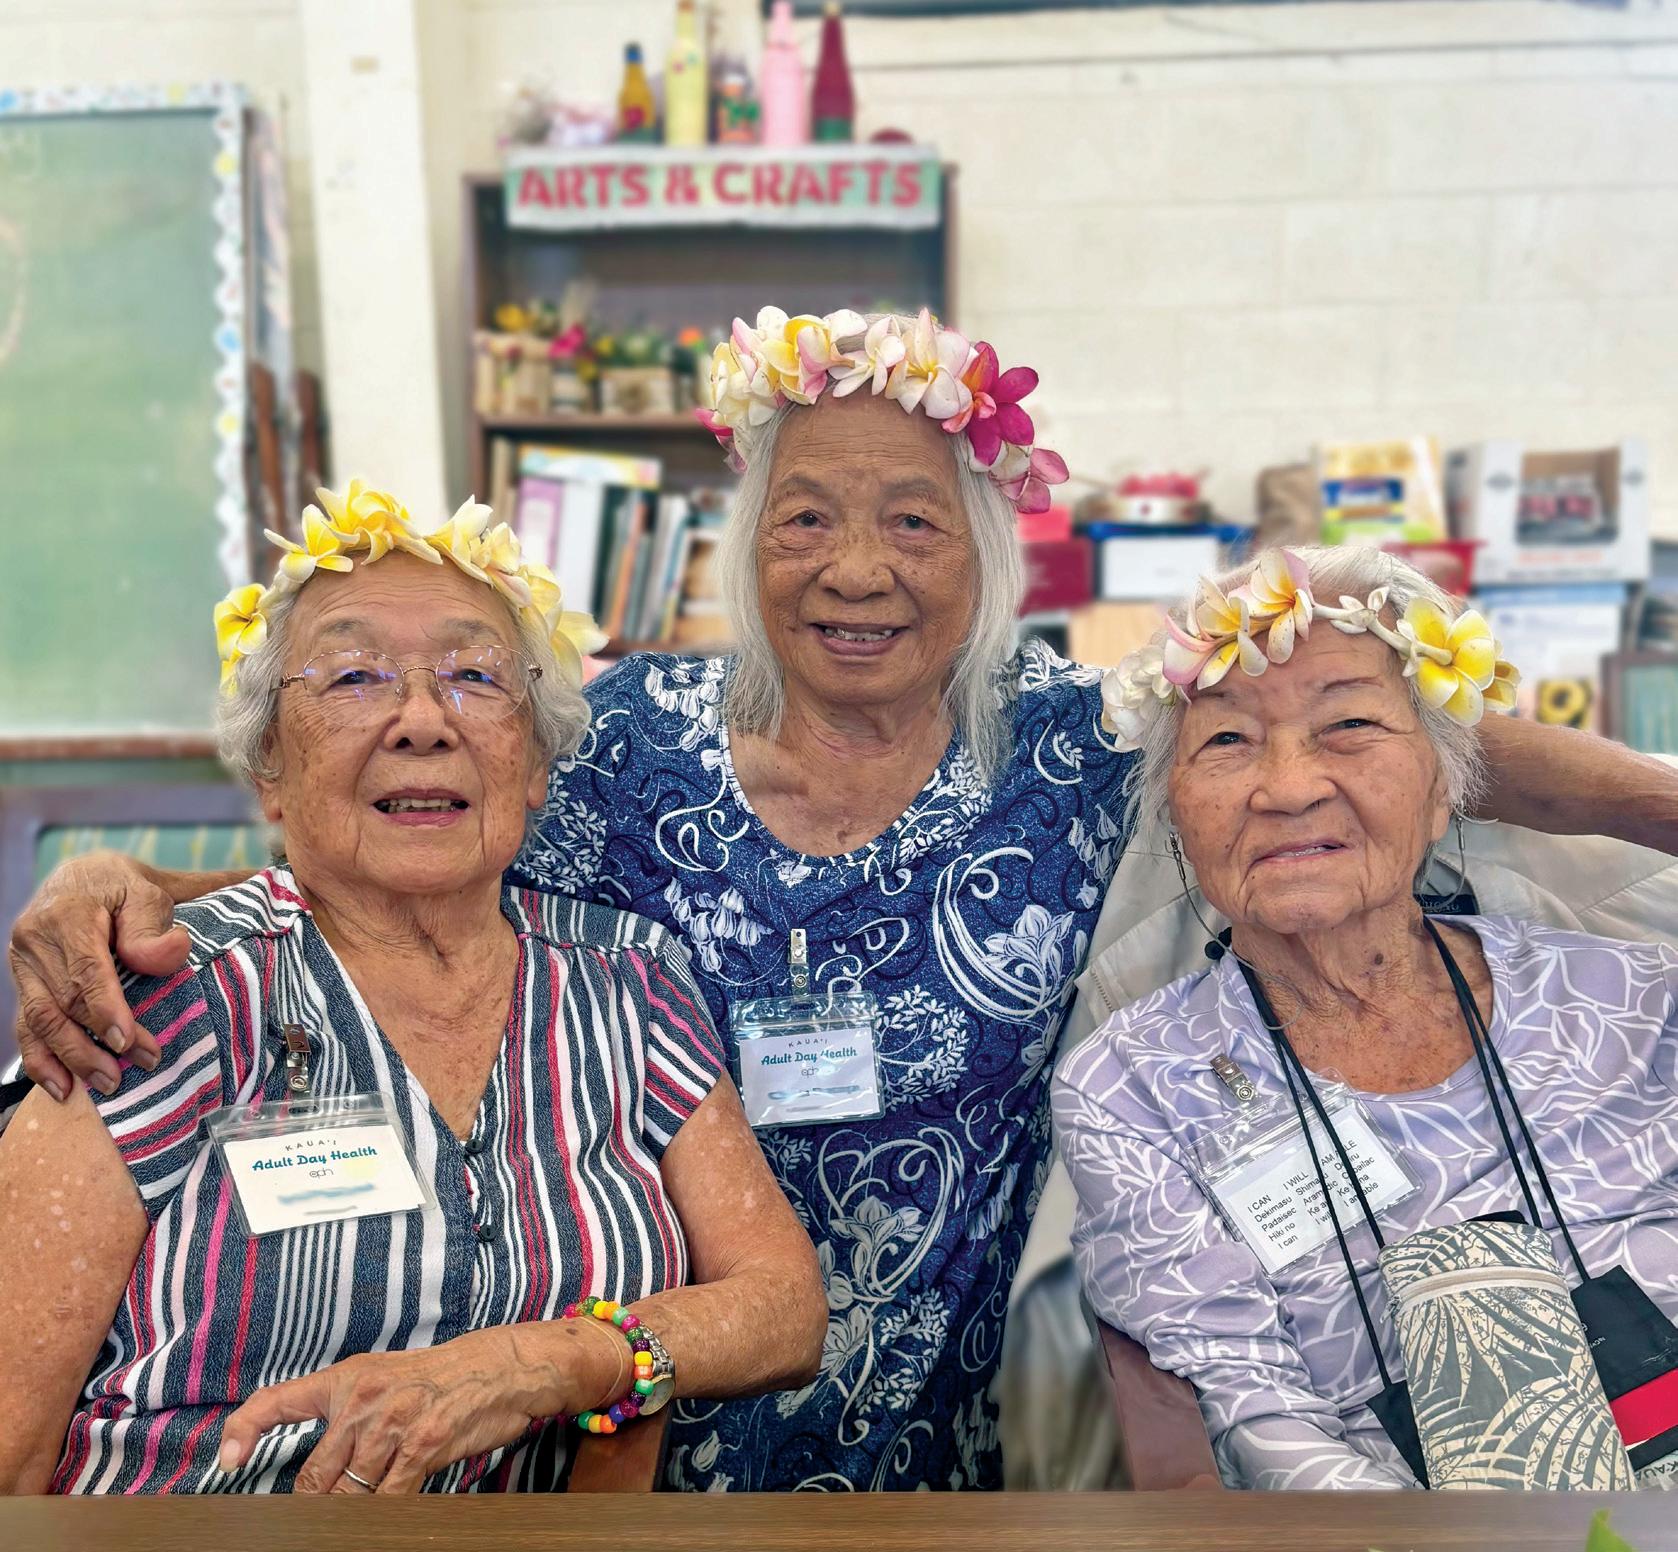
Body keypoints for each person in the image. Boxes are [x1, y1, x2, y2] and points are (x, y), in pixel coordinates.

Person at [12, 311, 1678, 1491]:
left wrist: (1660, 801)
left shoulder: (1067, 745)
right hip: (607, 1447)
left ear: (983, 555)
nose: (855, 568)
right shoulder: (620, 743)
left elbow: (1374, 726)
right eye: (803, 517)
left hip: (930, 1461)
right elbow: (383, 841)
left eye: (910, 522)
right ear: (746, 548)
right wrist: (126, 883)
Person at [0, 491, 824, 1494]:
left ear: (534, 763)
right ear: (269, 766)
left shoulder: (629, 979)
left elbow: (783, 1306)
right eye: (353, 677)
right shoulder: (159, 1004)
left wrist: (546, 1362)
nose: (424, 722)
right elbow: (10, 1452)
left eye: (475, 676)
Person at [1053, 546, 1678, 1490]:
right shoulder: (1133, 1089)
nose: (1288, 787)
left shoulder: (1632, 999)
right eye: (1226, 740)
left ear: (1445, 787)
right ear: (1175, 810)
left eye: (1349, 724)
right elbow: (1253, 1409)